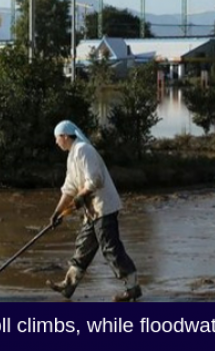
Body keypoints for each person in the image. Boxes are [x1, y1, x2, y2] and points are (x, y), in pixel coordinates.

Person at [47, 120, 142, 302]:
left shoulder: (84, 150)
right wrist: (56, 213)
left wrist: (81, 196)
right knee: (83, 246)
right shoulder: (72, 156)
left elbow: (96, 179)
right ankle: (69, 285)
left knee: (110, 248)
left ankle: (132, 287)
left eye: (57, 138)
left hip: (103, 207)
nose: (56, 142)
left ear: (65, 136)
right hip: (92, 212)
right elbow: (69, 189)